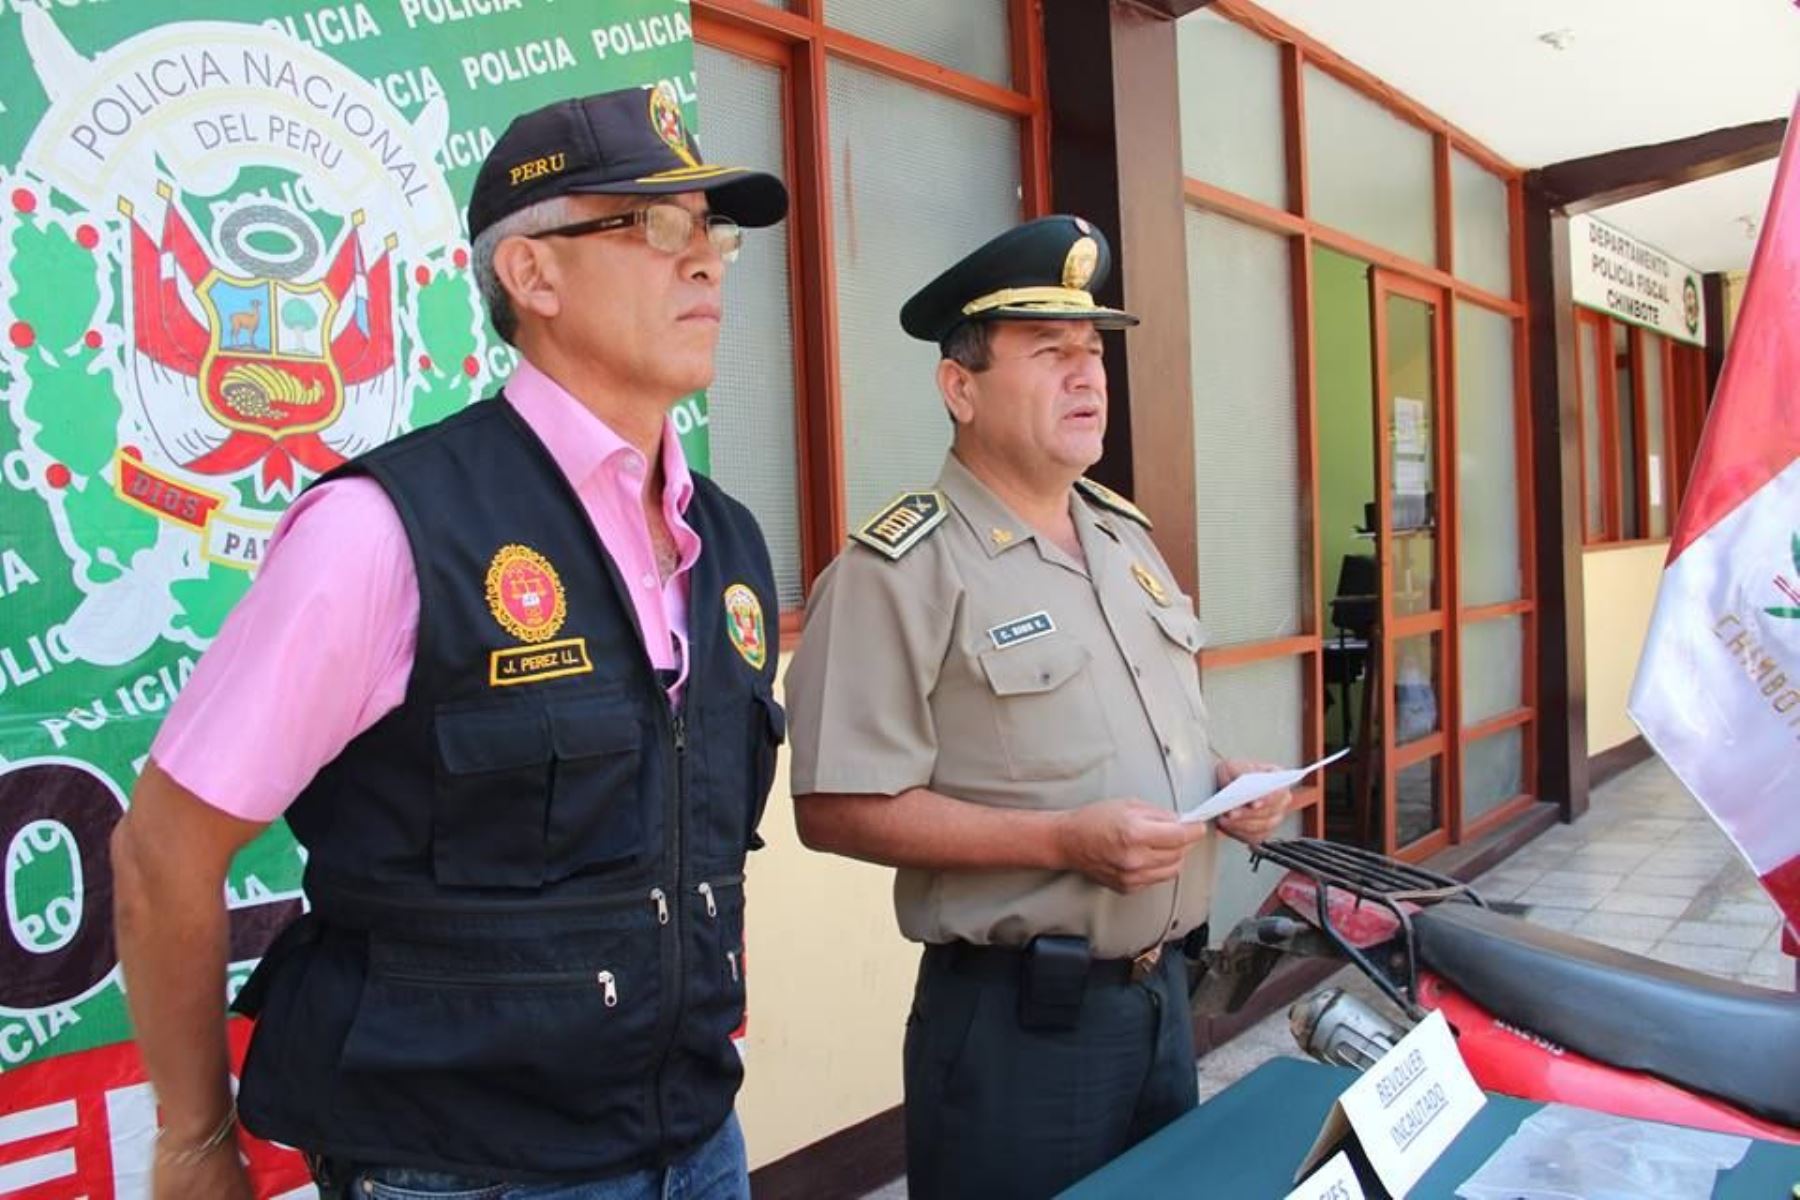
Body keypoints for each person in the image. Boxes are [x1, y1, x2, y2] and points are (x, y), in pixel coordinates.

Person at [110, 86, 789, 1200]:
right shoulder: (388, 531)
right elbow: (162, 853)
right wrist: (194, 1139)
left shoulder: (727, 540)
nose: (706, 261)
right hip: (463, 1174)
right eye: (653, 226)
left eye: (711, 231)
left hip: (697, 1148)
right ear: (533, 276)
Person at [784, 215, 1295, 1199]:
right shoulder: (899, 570)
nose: (1087, 376)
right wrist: (1063, 841)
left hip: (1162, 1002)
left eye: (1093, 352)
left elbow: (1138, 734)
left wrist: (1222, 786)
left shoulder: (1124, 539)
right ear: (960, 387)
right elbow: (835, 805)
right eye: (1049, 352)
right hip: (1017, 1029)